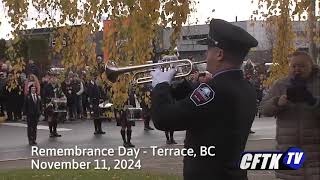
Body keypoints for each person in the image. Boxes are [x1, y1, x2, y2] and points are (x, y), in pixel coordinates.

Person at [151, 19, 258, 180]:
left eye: (208, 50)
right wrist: (190, 85)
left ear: (219, 54)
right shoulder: (246, 88)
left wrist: (160, 85)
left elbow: (163, 119)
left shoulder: (214, 91)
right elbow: (204, 112)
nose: (205, 56)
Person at [260, 51, 320, 180]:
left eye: (302, 66)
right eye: (294, 66)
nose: (297, 70)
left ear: (311, 66)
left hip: (316, 154)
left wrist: (313, 102)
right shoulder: (281, 84)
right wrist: (277, 102)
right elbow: (263, 109)